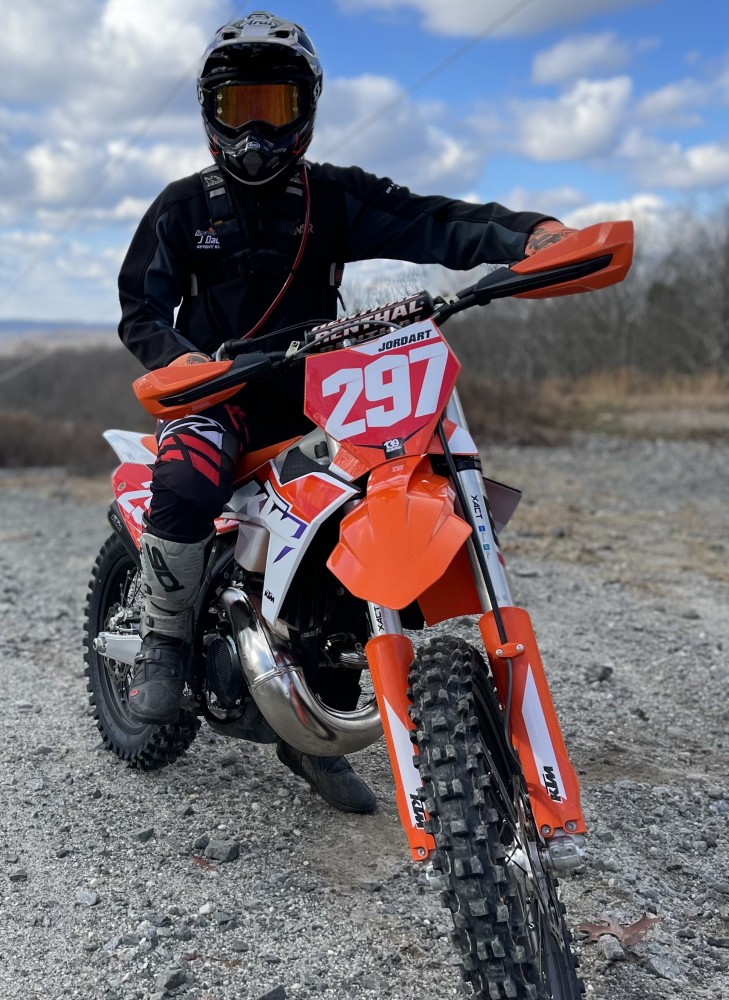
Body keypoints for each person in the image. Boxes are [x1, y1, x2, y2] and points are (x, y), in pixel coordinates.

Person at [117, 11, 576, 814]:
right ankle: (162, 637)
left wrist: (527, 235)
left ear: (306, 110)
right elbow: (141, 308)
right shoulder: (182, 207)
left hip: (320, 398)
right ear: (209, 112)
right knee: (184, 478)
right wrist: (180, 360)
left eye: (275, 106)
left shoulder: (332, 197)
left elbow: (433, 219)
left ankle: (313, 732)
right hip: (216, 398)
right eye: (238, 107)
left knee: (350, 525)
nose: (256, 129)